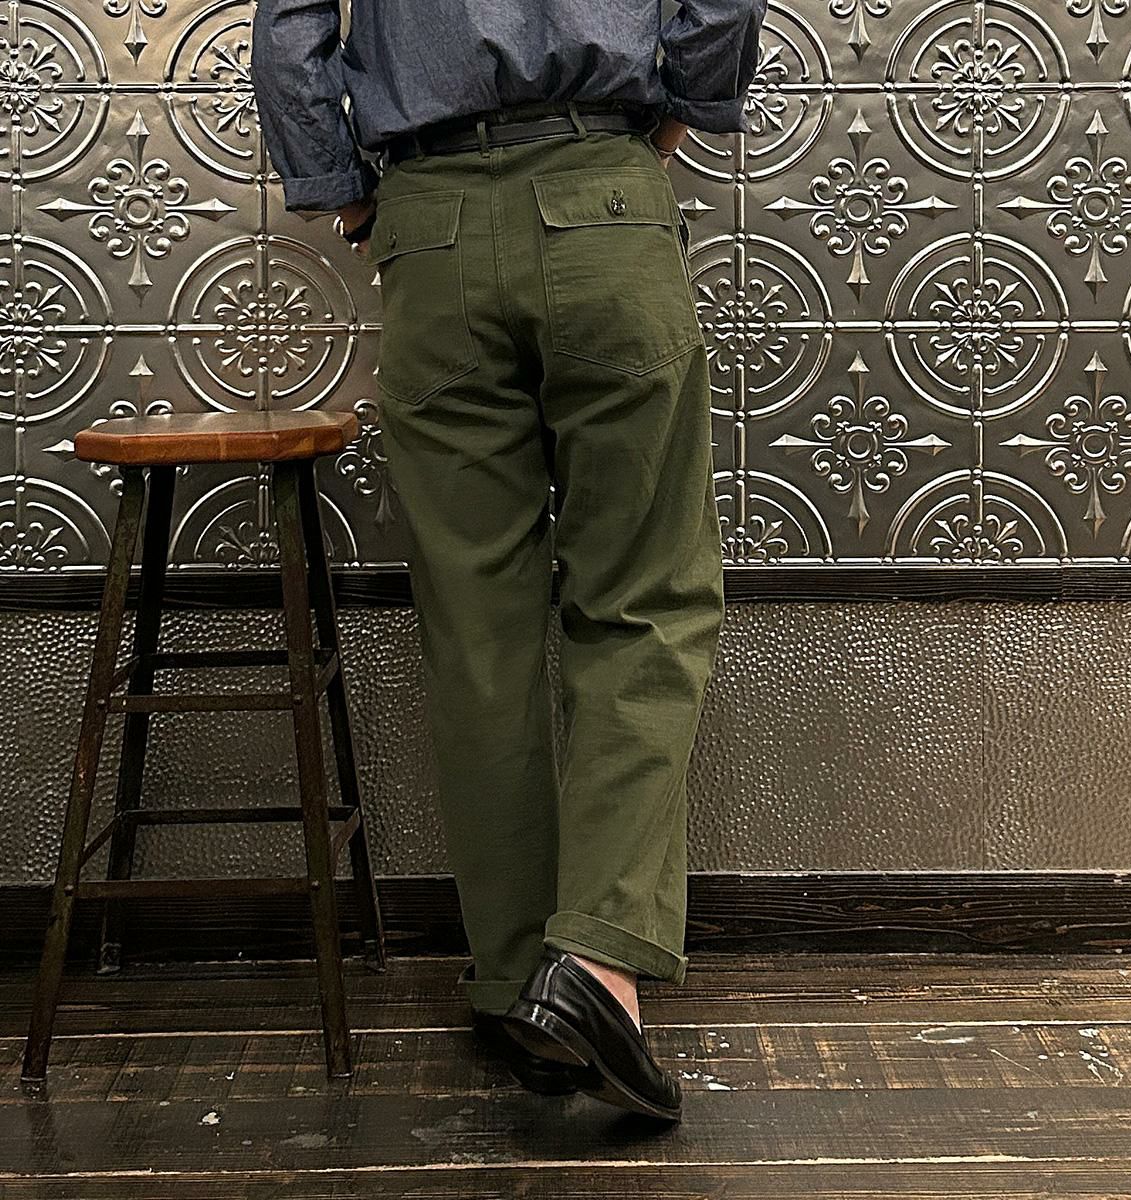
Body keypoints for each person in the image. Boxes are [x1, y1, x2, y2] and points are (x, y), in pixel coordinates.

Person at [251, 0, 766, 1123]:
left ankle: (513, 984)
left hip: (429, 223)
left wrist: (345, 187)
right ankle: (597, 967)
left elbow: (289, 25)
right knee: (644, 601)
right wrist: (676, 115)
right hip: (604, 199)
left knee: (476, 629)